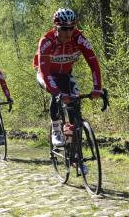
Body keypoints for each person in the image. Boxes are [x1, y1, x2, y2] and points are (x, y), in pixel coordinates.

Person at [33, 8, 103, 148]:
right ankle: (56, 128)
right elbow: (45, 73)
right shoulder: (46, 42)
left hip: (65, 73)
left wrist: (97, 88)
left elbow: (94, 63)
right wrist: (58, 93)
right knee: (56, 94)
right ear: (55, 27)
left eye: (72, 28)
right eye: (64, 28)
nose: (68, 32)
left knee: (75, 104)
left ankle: (75, 149)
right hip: (45, 73)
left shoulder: (79, 38)